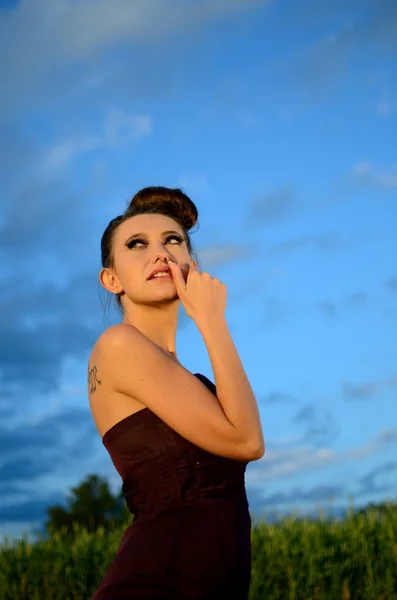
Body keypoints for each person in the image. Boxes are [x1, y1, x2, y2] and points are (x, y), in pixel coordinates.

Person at [88, 186, 265, 599]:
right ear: (111, 279)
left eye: (173, 241)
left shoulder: (184, 378)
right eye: (137, 244)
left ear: (191, 263)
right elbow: (247, 440)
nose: (160, 254)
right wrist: (210, 320)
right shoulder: (119, 345)